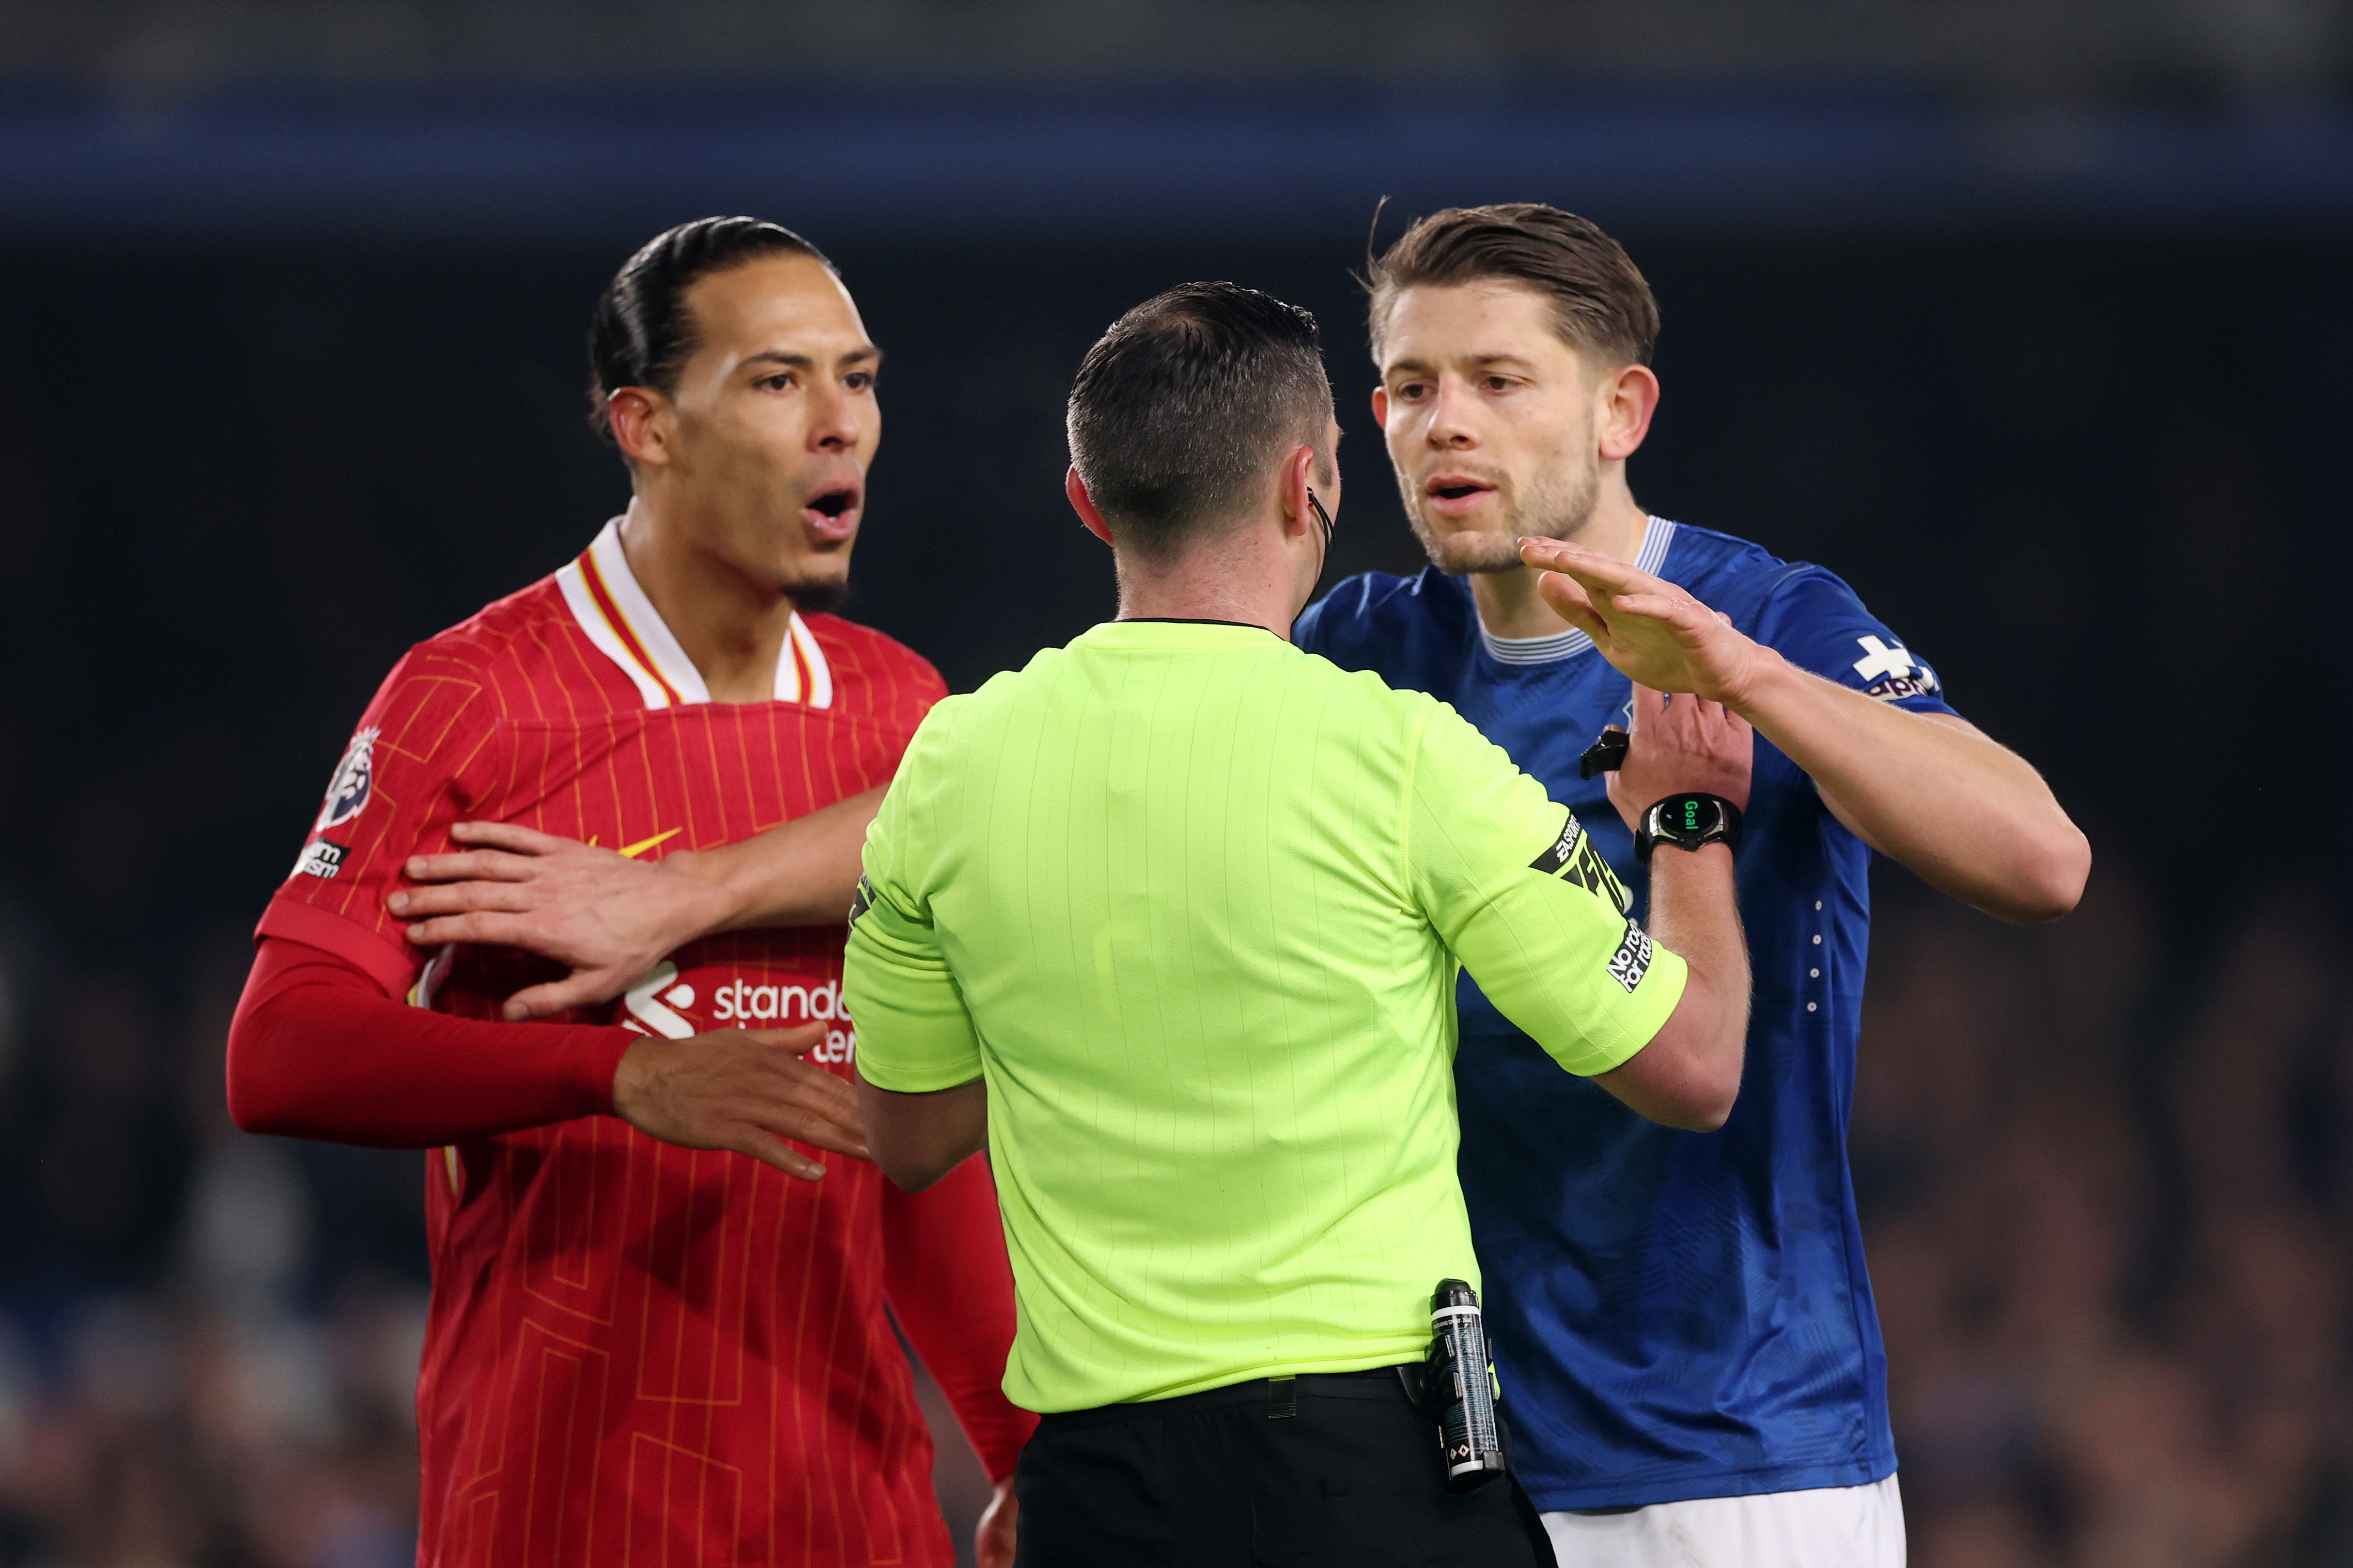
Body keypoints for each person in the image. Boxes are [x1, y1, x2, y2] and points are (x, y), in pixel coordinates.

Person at [841, 282, 1754, 1567]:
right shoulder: (1402, 757)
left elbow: (915, 1131)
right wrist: (1690, 826)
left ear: (1089, 503)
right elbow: (1695, 1062)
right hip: (1373, 1477)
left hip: (1097, 1495)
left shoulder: (947, 769)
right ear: (1308, 485)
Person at [1287, 204, 2092, 1565]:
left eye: (1499, 381)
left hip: (1732, 1452)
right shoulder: (1360, 646)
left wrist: (1742, 680)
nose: (1446, 425)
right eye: (1412, 389)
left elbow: (2041, 860)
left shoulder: (1766, 617)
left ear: (1622, 412)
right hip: (1452, 1456)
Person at [224, 216, 1034, 1568]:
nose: (843, 424)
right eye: (780, 381)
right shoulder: (475, 698)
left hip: (850, 1515)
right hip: (555, 1510)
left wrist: (1018, 1444)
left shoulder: (901, 712)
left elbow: (908, 1136)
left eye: (861, 376)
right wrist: (619, 1076)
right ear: (645, 425)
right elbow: (279, 1049)